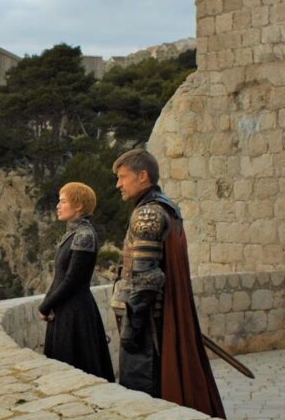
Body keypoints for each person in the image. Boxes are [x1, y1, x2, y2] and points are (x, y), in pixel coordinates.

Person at [110, 148, 225, 418]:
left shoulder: (147, 214)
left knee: (143, 401)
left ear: (143, 176)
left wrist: (132, 328)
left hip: (148, 326)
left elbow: (147, 278)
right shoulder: (166, 208)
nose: (118, 184)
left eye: (122, 177)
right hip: (157, 322)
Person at [37, 182, 115, 381]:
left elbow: (72, 280)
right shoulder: (72, 234)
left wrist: (46, 305)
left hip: (76, 313)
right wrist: (47, 304)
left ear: (78, 206)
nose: (58, 206)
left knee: (77, 370)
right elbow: (59, 277)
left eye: (63, 201)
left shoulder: (84, 236)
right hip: (65, 309)